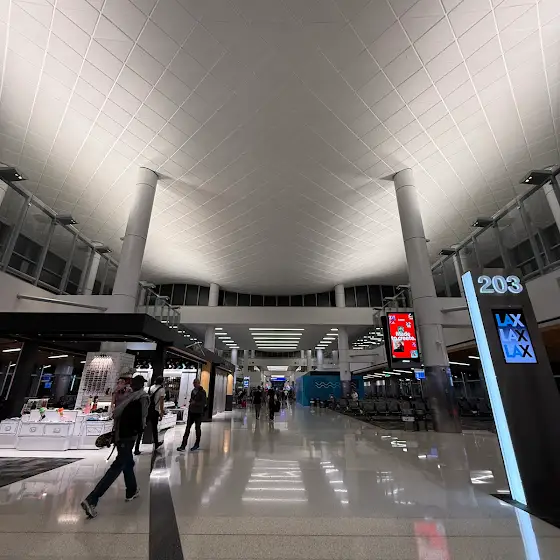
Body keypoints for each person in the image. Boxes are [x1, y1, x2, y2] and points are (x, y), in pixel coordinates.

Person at [81, 376, 149, 519]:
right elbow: (143, 417)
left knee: (128, 463)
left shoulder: (125, 396)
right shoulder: (142, 397)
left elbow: (115, 412)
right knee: (118, 466)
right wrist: (140, 431)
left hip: (119, 434)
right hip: (129, 436)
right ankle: (92, 499)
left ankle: (132, 490)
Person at [177, 379, 207, 452]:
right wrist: (191, 402)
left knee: (197, 428)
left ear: (199, 383)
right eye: (193, 383)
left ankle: (197, 444)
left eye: (195, 383)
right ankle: (183, 445)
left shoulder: (202, 392)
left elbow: (203, 402)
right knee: (187, 428)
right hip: (191, 412)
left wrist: (195, 403)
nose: (194, 384)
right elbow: (192, 400)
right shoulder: (193, 391)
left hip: (198, 413)